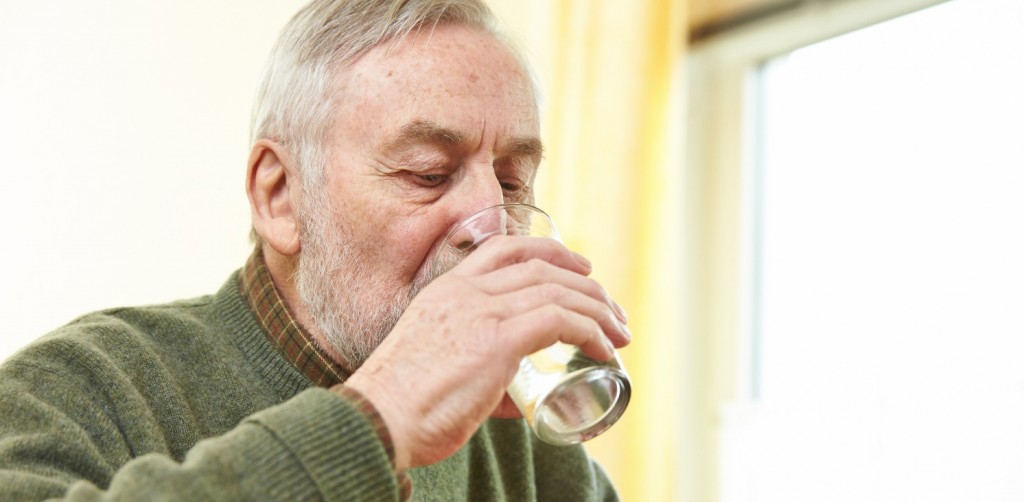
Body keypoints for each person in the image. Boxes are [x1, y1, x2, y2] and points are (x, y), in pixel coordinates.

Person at [0, 0, 631, 499]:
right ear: (280, 197)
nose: (490, 223)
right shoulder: (84, 390)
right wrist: (378, 417)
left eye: (513, 182)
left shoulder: (535, 455)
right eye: (427, 173)